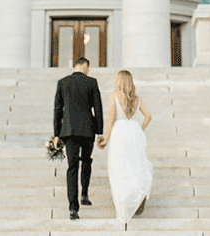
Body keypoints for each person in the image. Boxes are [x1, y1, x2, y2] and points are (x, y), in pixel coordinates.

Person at [53, 55, 104, 221]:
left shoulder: (62, 82)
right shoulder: (91, 82)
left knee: (72, 167)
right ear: (84, 66)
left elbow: (57, 110)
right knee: (87, 160)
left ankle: (73, 208)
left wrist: (56, 134)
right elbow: (98, 108)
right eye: (88, 68)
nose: (88, 71)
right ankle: (84, 194)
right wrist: (100, 132)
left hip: (69, 130)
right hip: (88, 129)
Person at [97, 69, 153, 222]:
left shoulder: (113, 96)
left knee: (119, 169)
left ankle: (123, 207)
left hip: (119, 133)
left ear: (119, 81)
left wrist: (106, 139)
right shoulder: (137, 98)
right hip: (133, 132)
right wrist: (139, 130)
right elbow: (148, 116)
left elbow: (111, 119)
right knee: (134, 166)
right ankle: (136, 196)